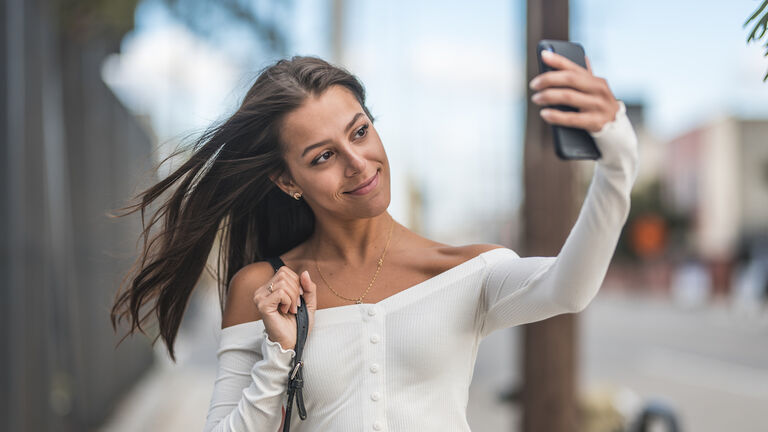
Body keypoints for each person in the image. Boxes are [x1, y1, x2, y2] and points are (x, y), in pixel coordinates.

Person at [110, 53, 638, 432]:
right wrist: (279, 354)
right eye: (322, 156)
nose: (358, 163)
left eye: (359, 132)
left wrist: (617, 160)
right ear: (287, 181)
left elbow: (569, 288)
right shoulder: (264, 289)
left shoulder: (462, 272)